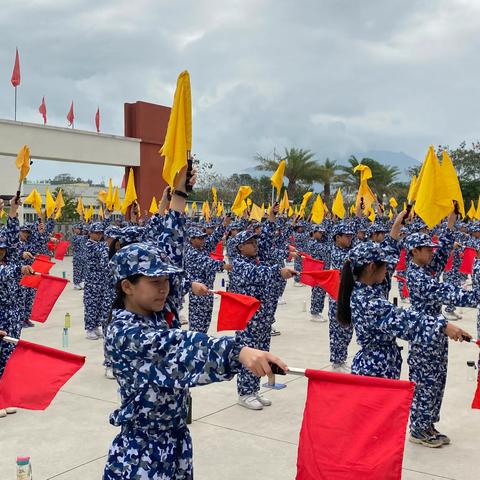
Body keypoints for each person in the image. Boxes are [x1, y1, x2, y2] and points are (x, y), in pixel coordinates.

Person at [103, 166, 288, 479]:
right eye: (155, 281)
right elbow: (177, 347)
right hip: (143, 452)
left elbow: (170, 245)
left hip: (175, 440)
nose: (165, 287)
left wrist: (179, 194)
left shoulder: (158, 308)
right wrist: (237, 353)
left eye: (167, 280)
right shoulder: (125, 331)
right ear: (127, 286)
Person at [405, 212, 480, 447]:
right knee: (425, 383)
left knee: (437, 381)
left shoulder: (425, 268)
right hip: (424, 334)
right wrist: (476, 294)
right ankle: (418, 429)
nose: (432, 252)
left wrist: (449, 224)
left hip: (437, 332)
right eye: (427, 249)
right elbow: (449, 293)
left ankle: (428, 424)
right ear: (415, 251)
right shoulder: (417, 276)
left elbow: (443, 253)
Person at [229, 229, 296, 410]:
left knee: (261, 355)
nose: (255, 245)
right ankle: (244, 393)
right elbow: (258, 274)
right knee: (249, 357)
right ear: (241, 247)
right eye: (251, 243)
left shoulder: (256, 261)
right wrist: (278, 272)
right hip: (248, 321)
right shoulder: (240, 264)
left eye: (255, 242)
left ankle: (253, 390)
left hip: (263, 320)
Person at [0, 197, 34, 418]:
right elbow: (6, 273)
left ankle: (4, 397)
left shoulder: (8, 259)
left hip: (12, 313)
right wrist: (19, 269)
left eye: (3, 249)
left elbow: (11, 235)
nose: (2, 251)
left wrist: (13, 209)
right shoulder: (8, 269)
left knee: (10, 356)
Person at [327, 221, 355, 372]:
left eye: (351, 236)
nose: (350, 238)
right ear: (337, 237)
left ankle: (341, 359)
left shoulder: (349, 250)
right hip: (338, 298)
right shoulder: (337, 253)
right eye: (347, 236)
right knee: (338, 331)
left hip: (349, 297)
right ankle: (337, 362)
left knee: (347, 330)